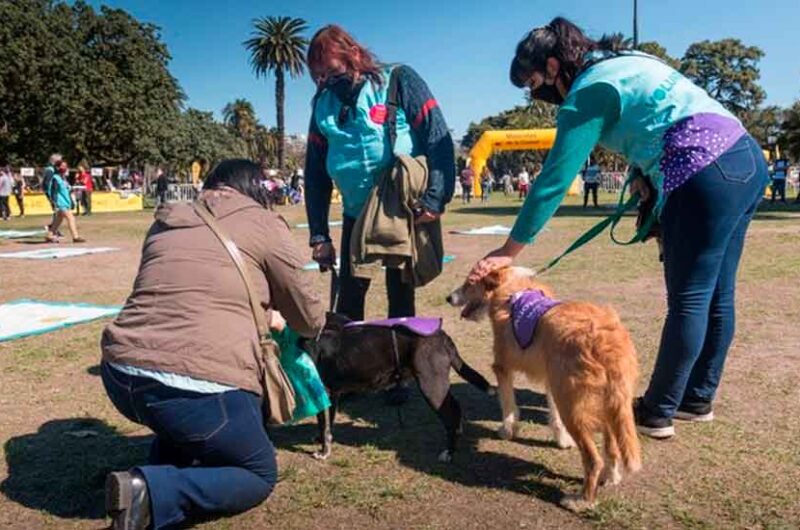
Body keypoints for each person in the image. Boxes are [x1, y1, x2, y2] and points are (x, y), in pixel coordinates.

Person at [469, 17, 768, 440]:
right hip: (746, 159)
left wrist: (508, 251)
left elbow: (555, 177)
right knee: (719, 294)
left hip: (701, 170)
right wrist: (644, 173)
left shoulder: (587, 91)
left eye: (533, 81)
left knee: (691, 299)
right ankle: (696, 399)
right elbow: (654, 118)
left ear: (553, 67)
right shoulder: (627, 60)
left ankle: (658, 410)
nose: (535, 93)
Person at [100, 159, 325, 530]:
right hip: (195, 384)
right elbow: (309, 317)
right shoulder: (262, 222)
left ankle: (159, 465)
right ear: (255, 188)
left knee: (185, 413)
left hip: (121, 373)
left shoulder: (166, 218)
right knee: (257, 472)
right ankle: (150, 491)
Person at [304, 25, 455, 405]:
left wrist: (436, 197)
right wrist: (319, 234)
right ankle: (348, 375)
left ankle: (399, 375)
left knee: (400, 297)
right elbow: (315, 172)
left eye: (331, 71)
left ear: (352, 55)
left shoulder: (399, 81)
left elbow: (438, 137)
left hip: (398, 210)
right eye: (318, 76)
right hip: (356, 211)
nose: (325, 81)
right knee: (349, 300)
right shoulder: (322, 105)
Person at [45, 160, 85, 243]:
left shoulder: (63, 179)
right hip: (60, 203)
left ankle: (49, 235)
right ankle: (75, 237)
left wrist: (71, 201)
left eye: (65, 166)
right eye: (63, 166)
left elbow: (67, 191)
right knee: (71, 218)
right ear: (57, 167)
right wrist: (54, 203)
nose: (65, 168)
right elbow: (54, 191)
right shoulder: (55, 178)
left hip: (66, 202)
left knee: (58, 220)